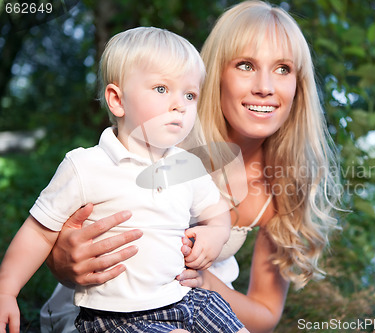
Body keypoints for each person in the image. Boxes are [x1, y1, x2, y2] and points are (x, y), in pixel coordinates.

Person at [40, 1, 341, 332]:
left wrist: (205, 282)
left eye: (283, 69)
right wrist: (61, 260)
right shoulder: (166, 146)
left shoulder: (281, 185)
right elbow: (58, 231)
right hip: (105, 315)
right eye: (245, 65)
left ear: (299, 86)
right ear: (214, 75)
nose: (265, 87)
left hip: (189, 312)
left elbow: (265, 314)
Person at [0, 27, 249, 333]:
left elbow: (216, 213)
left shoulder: (186, 165)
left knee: (232, 324)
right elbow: (39, 233)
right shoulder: (87, 165)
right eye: (161, 89)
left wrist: (214, 235)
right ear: (117, 100)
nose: (180, 105)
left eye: (190, 94)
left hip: (183, 298)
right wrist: (6, 291)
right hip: (117, 317)